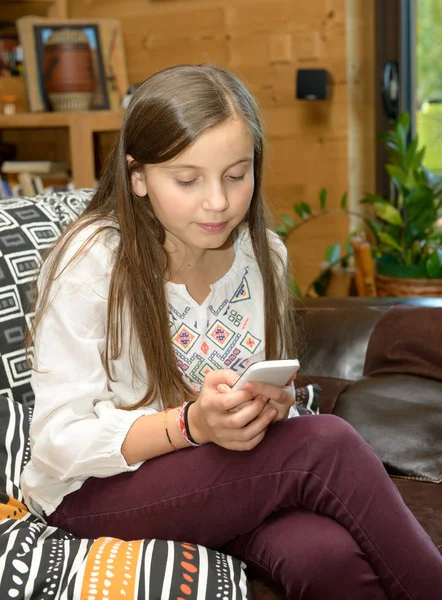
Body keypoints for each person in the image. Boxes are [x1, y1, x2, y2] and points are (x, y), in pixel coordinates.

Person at [21, 64, 442, 600]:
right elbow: (60, 442)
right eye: (188, 179)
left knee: (325, 559)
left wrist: (267, 405)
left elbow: (258, 390)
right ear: (137, 176)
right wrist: (193, 424)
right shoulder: (92, 262)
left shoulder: (262, 256)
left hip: (217, 475)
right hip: (96, 492)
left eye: (236, 175)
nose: (217, 201)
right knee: (327, 442)